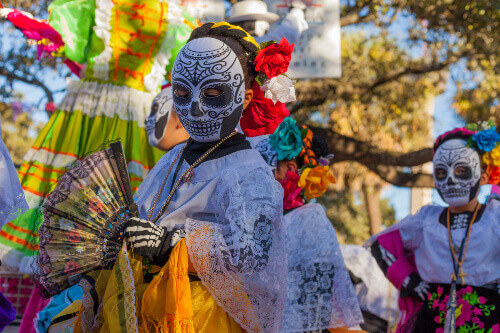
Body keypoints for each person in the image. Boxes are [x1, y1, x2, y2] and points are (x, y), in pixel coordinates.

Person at [55, 22, 292, 332]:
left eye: (213, 93)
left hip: (198, 317)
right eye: (182, 92)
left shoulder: (248, 173)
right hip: (138, 305)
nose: (194, 108)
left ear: (246, 98)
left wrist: (171, 243)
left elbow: (254, 260)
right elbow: (139, 213)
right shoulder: (170, 160)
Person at [367, 123, 500, 332]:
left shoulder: (495, 216)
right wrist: (411, 282)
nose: (450, 180)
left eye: (462, 170)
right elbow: (380, 244)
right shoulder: (426, 220)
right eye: (440, 172)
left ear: (483, 176)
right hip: (432, 319)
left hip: (487, 318)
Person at [254, 117, 364, 332]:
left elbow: (316, 300)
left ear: (289, 169)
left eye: (262, 171)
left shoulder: (310, 218)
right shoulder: (266, 218)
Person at [227, 0, 308, 44]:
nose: (267, 27)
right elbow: (287, 33)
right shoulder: (255, 44)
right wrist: (297, 10)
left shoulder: (228, 45)